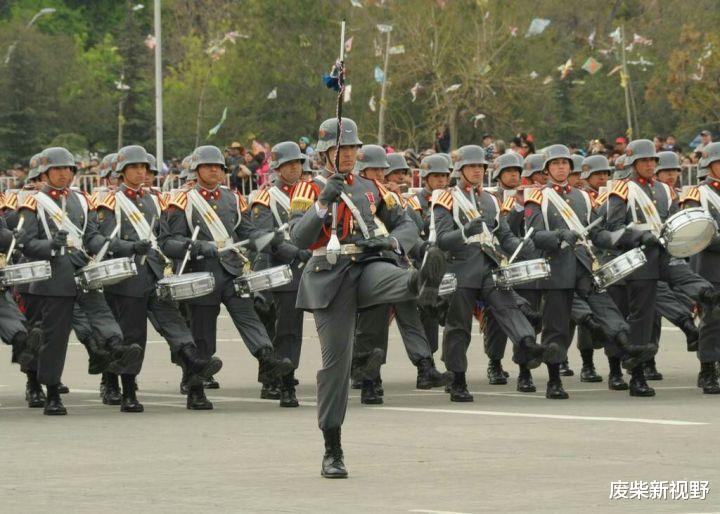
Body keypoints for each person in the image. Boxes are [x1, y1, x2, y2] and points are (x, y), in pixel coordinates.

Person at [288, 117, 446, 478]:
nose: (348, 155)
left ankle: (420, 282)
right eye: (341, 149)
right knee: (336, 365)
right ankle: (333, 447)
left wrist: (393, 242)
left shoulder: (372, 187)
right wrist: (322, 204)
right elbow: (298, 237)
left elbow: (409, 223)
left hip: (369, 263)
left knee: (396, 280)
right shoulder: (308, 188)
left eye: (353, 149)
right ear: (326, 153)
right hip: (329, 276)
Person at [159, 145, 294, 397]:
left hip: (232, 270)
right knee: (202, 332)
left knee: (249, 316)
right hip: (200, 273)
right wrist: (197, 246)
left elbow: (246, 232)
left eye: (219, 166)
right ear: (196, 169)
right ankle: (196, 387)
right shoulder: (182, 200)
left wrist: (265, 237)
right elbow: (167, 242)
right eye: (208, 166)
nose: (214, 170)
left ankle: (267, 359)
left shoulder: (232, 198)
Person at [96, 145, 223, 411]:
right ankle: (129, 391)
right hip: (127, 279)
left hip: (156, 274)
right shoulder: (110, 201)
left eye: (144, 167)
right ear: (121, 171)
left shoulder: (155, 199)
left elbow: (164, 239)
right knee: (134, 337)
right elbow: (104, 241)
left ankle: (195, 365)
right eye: (135, 167)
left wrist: (187, 247)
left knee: (176, 325)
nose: (141, 171)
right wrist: (129, 247)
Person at [18, 147, 141, 415]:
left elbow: (92, 237)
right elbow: (25, 243)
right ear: (46, 172)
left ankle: (116, 350)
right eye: (58, 169)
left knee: (104, 318)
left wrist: (124, 246)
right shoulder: (33, 202)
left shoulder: (82, 199)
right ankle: (51, 393)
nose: (65, 174)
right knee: (55, 339)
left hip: (84, 272)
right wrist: (50, 245)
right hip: (53, 279)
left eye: (69, 169)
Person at [605, 139, 720, 396]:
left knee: (687, 275)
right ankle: (637, 374)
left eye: (652, 160)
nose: (649, 164)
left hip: (665, 253)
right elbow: (613, 229)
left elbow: (673, 225)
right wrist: (638, 236)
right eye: (644, 160)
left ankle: (707, 293)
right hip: (640, 258)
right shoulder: (622, 190)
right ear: (633, 163)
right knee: (642, 318)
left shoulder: (666, 192)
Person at [434, 144, 545, 402]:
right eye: (472, 166)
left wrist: (519, 245)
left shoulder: (491, 200)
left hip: (489, 265)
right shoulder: (445, 198)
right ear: (460, 169)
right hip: (459, 267)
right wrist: (464, 232)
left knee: (507, 305)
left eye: (481, 167)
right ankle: (457, 378)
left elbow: (503, 234)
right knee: (458, 327)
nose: (477, 170)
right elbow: (441, 239)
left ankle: (527, 344)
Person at [525, 144, 634, 399]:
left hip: (586, 266)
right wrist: (559, 235)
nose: (561, 167)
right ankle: (554, 380)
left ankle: (627, 355)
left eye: (565, 163)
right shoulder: (536, 196)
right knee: (556, 328)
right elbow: (534, 236)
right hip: (556, 269)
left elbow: (597, 233)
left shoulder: (584, 197)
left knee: (609, 311)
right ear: (547, 169)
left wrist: (622, 236)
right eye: (555, 164)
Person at [351, 145, 452, 404]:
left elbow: (408, 231)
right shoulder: (353, 197)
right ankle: (369, 380)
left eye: (385, 170)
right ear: (362, 171)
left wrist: (425, 249)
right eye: (377, 170)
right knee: (373, 327)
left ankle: (425, 366)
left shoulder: (391, 198)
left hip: (398, 266)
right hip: (370, 267)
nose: (383, 175)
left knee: (411, 317)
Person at [250, 141, 309, 407]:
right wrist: (293, 251)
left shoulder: (311, 194)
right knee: (281, 327)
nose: (295, 167)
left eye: (298, 163)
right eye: (289, 164)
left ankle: (285, 374)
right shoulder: (266, 197)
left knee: (292, 328)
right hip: (278, 268)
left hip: (307, 266)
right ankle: (281, 380)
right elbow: (265, 236)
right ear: (277, 168)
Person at [680, 141, 720, 393]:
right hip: (710, 267)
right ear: (708, 165)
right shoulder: (696, 194)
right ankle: (707, 369)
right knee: (712, 320)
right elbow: (694, 233)